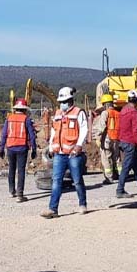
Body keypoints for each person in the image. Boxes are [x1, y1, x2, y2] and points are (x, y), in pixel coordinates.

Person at [41, 87, 89, 219]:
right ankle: (53, 209)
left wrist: (79, 145)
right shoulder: (57, 114)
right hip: (59, 154)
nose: (62, 104)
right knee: (56, 181)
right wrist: (51, 146)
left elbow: (84, 129)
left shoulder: (78, 112)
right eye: (61, 101)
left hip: (74, 154)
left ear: (70, 100)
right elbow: (54, 131)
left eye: (65, 101)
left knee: (77, 180)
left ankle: (82, 204)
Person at [0, 98, 37, 203]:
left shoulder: (9, 118)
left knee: (11, 169)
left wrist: (2, 148)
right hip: (22, 148)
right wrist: (34, 149)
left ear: (16, 109)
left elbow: (4, 134)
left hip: (10, 147)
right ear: (24, 110)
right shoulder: (27, 119)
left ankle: (12, 191)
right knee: (21, 171)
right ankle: (20, 195)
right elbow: (32, 136)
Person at [90, 94, 120, 185]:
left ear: (105, 104)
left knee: (106, 158)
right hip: (117, 139)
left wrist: (97, 137)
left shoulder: (105, 113)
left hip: (107, 138)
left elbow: (102, 127)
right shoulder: (118, 113)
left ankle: (109, 177)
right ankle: (120, 175)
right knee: (117, 158)